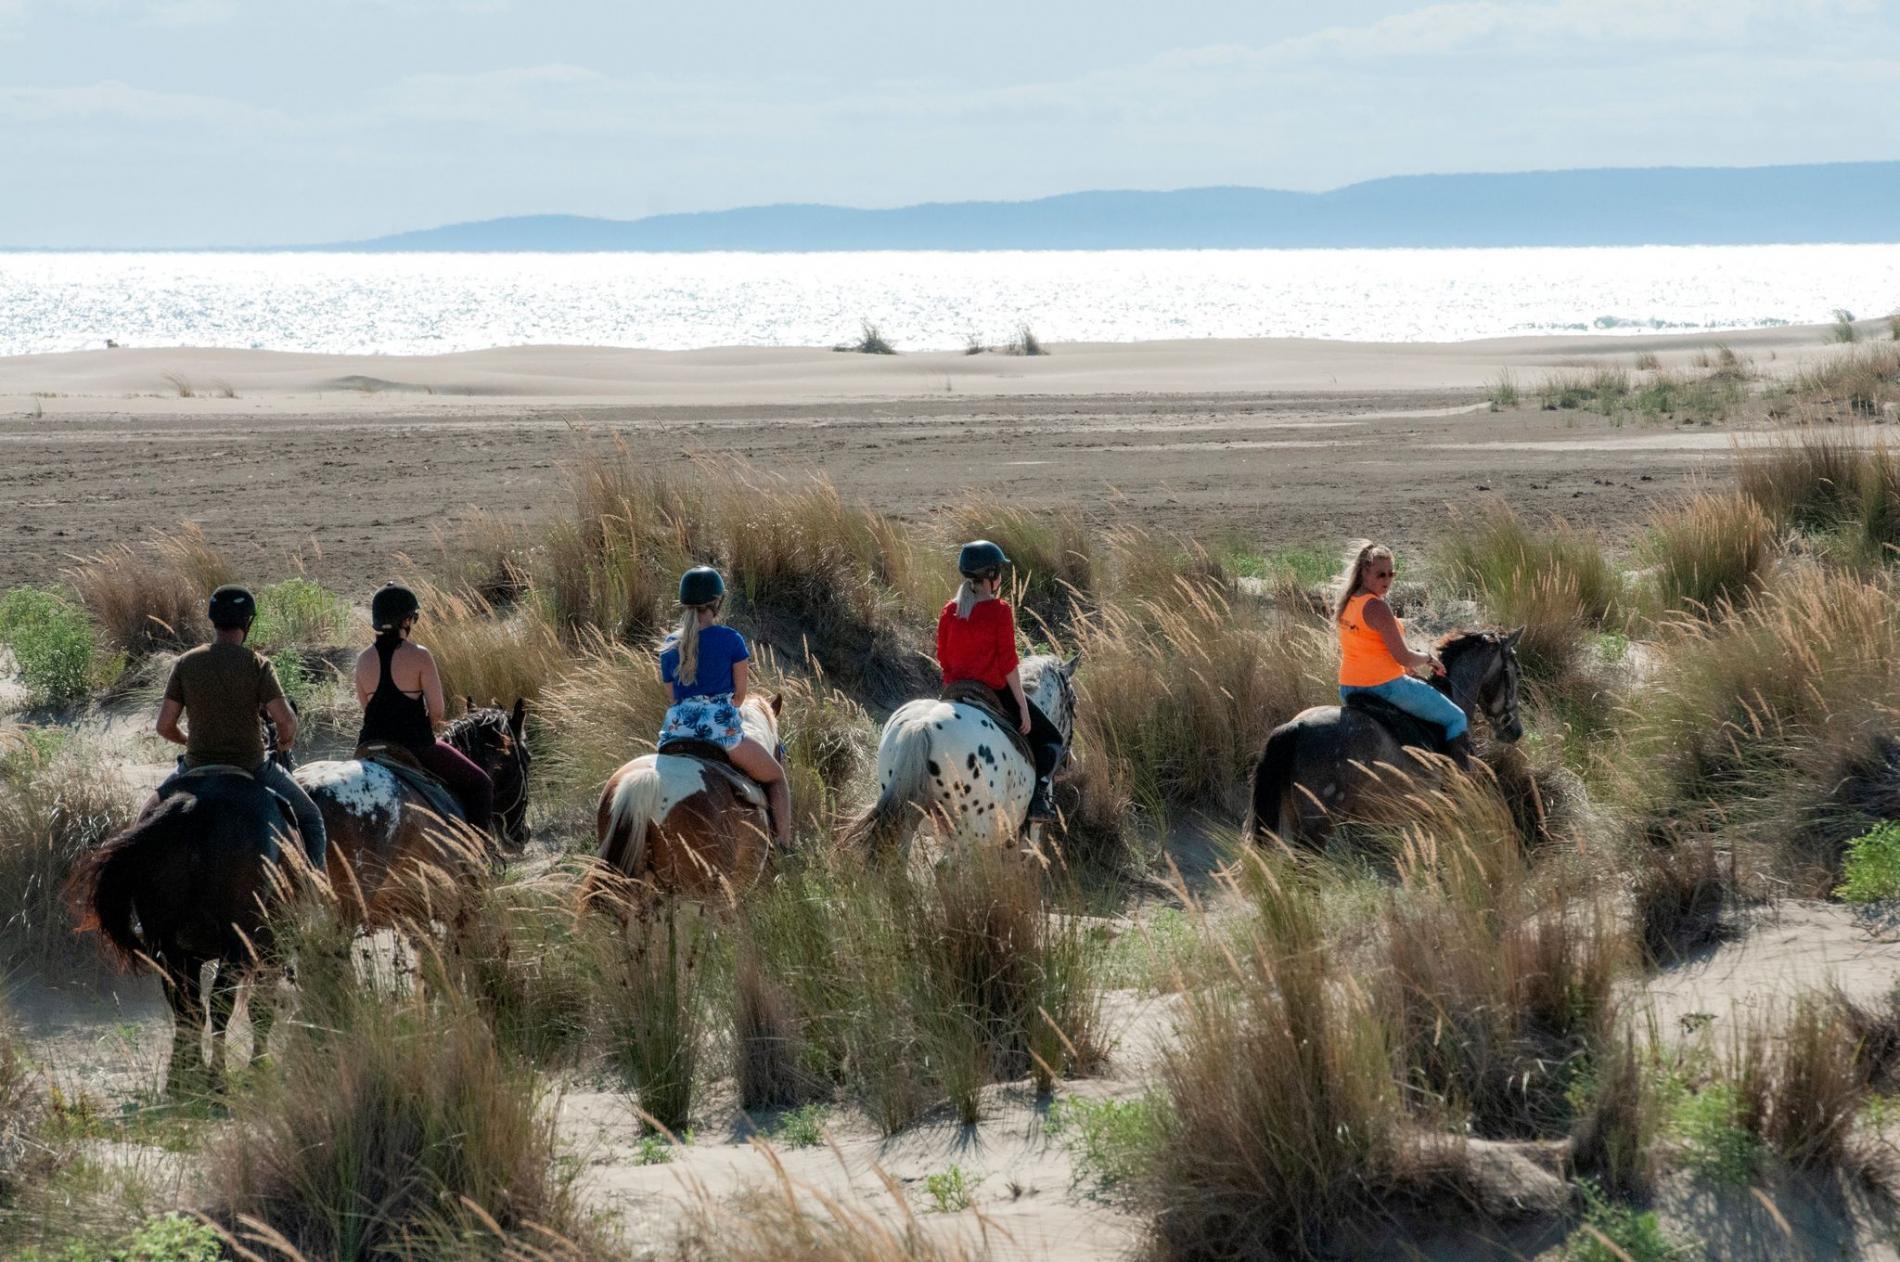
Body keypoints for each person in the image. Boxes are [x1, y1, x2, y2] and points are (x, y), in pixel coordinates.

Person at [155, 585, 328, 869]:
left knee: (143, 819)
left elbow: (164, 726)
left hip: (196, 763)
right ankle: (315, 889)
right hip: (251, 765)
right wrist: (285, 742)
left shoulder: (186, 663)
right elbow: (285, 720)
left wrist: (189, 741)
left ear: (213, 620)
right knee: (311, 816)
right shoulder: (257, 664)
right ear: (247, 622)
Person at [658, 566, 791, 846]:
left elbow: (673, 696)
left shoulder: (670, 645)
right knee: (777, 777)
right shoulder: (731, 640)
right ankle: (786, 846)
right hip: (720, 731)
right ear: (717, 603)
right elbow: (740, 696)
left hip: (675, 732)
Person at [936, 540, 1064, 822]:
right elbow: (1008, 664)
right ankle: (1039, 800)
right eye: (999, 572)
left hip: (953, 692)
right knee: (1053, 740)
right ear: (991, 576)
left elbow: (943, 659)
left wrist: (953, 687)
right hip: (993, 691)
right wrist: (1021, 705)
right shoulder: (1000, 611)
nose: (1001, 579)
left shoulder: (949, 611)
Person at [353, 583, 494, 832]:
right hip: (414, 747)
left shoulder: (363, 659)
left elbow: (367, 709)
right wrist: (423, 731)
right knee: (481, 784)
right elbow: (437, 712)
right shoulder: (420, 655)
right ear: (406, 620)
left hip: (368, 746)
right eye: (413, 617)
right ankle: (479, 854)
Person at [1334, 541, 1471, 764]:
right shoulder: (1377, 607)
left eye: (1391, 574)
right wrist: (1429, 659)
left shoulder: (1348, 602)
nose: (1387, 580)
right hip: (1384, 686)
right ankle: (1460, 786)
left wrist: (1408, 669)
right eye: (1380, 575)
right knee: (1456, 718)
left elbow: (1372, 647)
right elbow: (1403, 656)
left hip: (1348, 687)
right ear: (1364, 572)